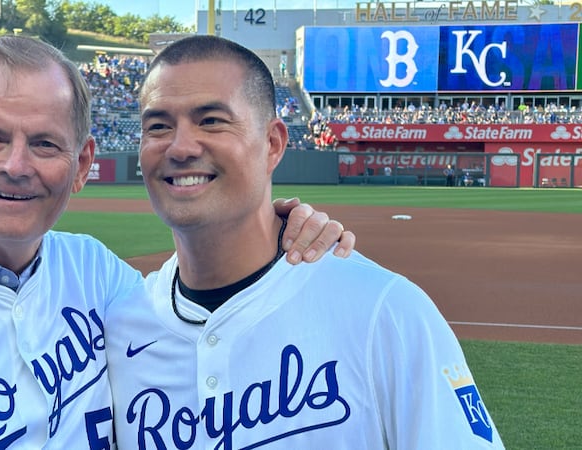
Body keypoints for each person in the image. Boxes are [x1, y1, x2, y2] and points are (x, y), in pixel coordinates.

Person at [0, 35, 354, 448]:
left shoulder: (97, 275)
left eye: (45, 145)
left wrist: (281, 228)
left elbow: (204, 318)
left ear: (82, 166)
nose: (15, 165)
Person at [106, 35, 504, 449]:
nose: (180, 146)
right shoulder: (118, 326)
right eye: (158, 126)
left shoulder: (385, 310)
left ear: (273, 144)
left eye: (211, 121)